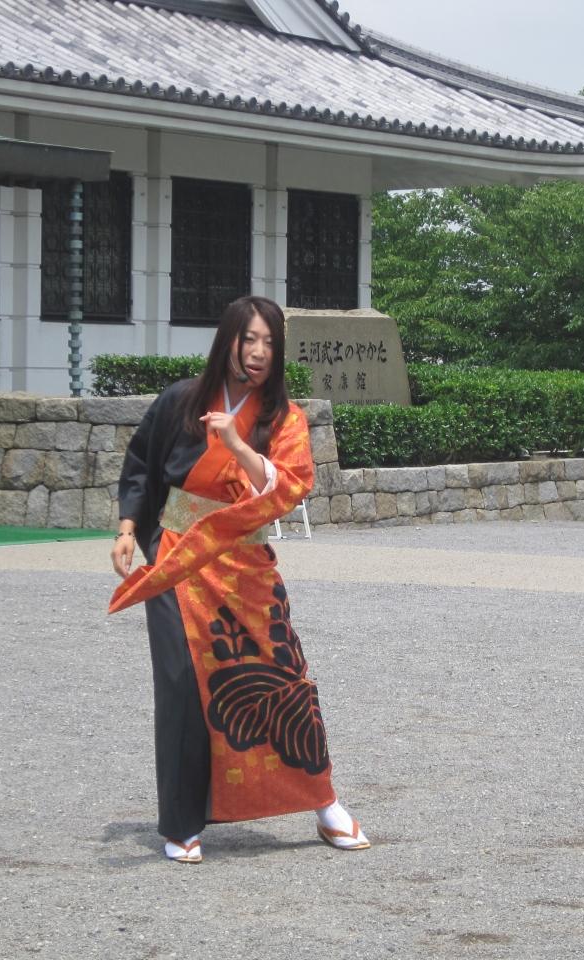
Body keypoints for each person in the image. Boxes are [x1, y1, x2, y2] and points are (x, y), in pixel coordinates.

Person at [109, 295, 369, 863]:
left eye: (269, 342)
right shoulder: (181, 400)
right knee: (182, 685)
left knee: (285, 677)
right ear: (227, 340)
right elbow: (141, 464)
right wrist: (128, 528)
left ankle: (324, 802)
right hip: (178, 557)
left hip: (245, 563)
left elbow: (289, 488)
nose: (257, 351)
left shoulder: (284, 418)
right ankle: (182, 825)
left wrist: (235, 444)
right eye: (248, 338)